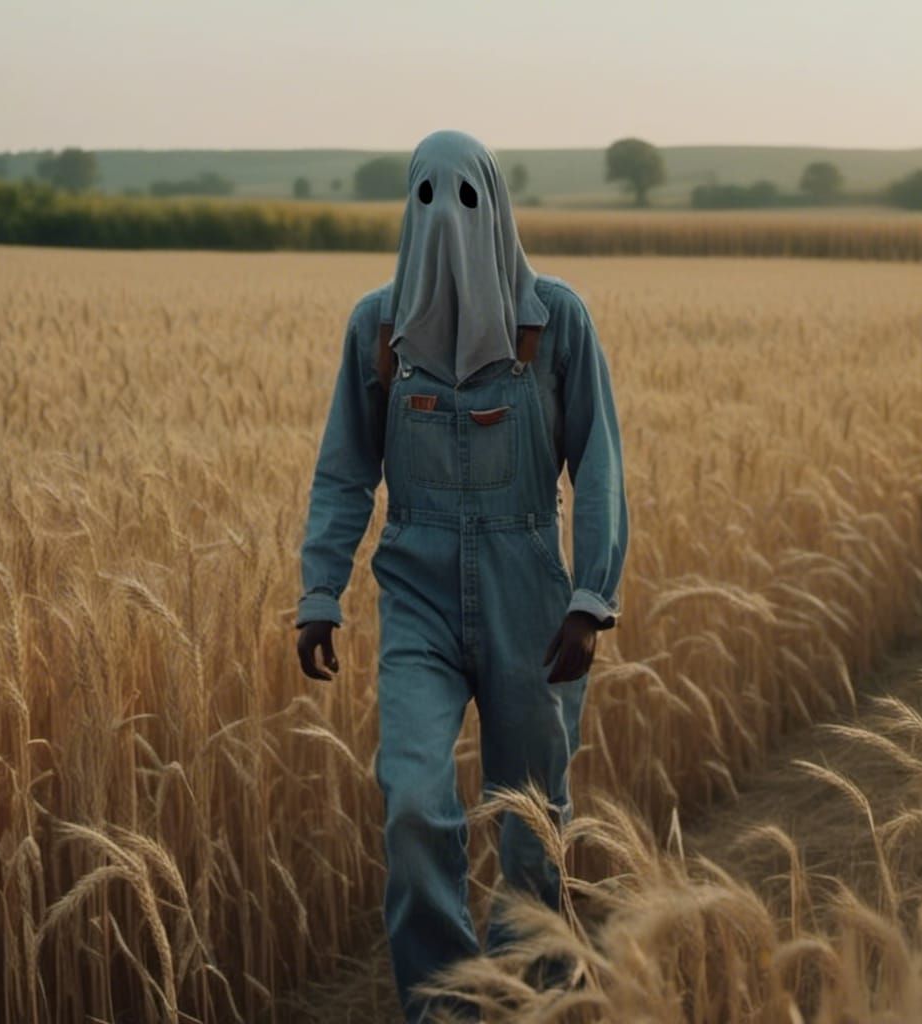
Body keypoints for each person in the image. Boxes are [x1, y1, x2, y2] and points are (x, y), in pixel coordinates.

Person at [295, 129, 628, 1023]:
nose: (447, 219)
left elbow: (597, 465)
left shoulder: (556, 322)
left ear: (498, 204)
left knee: (532, 824)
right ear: (407, 208)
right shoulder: (377, 327)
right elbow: (344, 468)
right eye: (428, 198)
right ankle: (445, 1005)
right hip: (416, 591)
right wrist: (319, 591)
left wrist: (591, 598)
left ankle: (528, 993)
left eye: (467, 199)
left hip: (533, 596)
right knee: (411, 799)